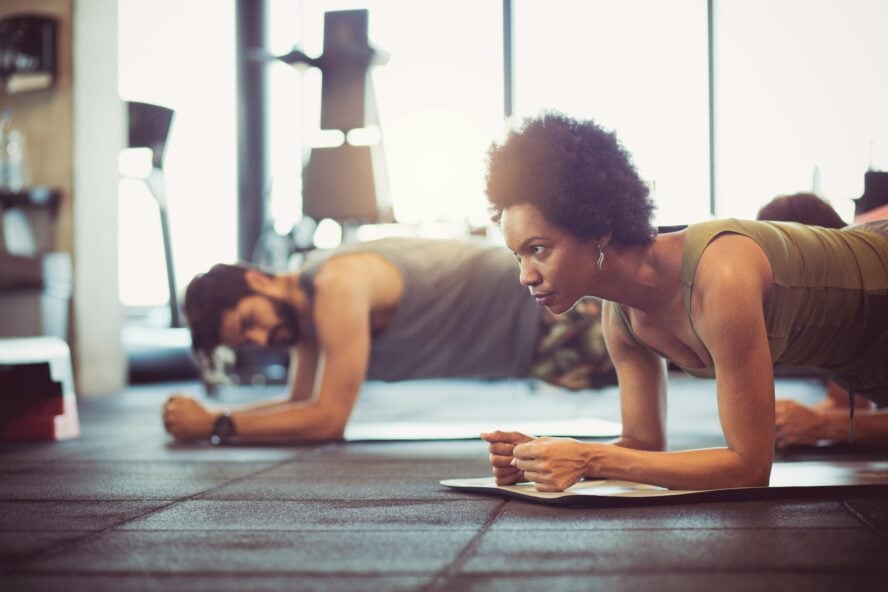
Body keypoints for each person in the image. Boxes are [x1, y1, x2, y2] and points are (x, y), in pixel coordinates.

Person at [480, 111, 888, 492]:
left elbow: (749, 468)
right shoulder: (620, 317)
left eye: (538, 249)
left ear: (598, 230)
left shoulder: (721, 274)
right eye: (518, 255)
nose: (525, 275)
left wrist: (589, 458)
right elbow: (643, 443)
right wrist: (542, 455)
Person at [162, 236, 614, 443]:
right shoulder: (304, 320)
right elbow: (297, 403)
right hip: (540, 353)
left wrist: (216, 425)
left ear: (258, 282)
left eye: (249, 323)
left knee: (679, 340)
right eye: (247, 341)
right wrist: (216, 416)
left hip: (556, 312)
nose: (261, 338)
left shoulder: (335, 284)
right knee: (678, 350)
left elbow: (325, 421)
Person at [756, 192, 887, 447]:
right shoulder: (818, 313)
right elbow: (846, 403)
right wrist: (793, 421)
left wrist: (824, 425)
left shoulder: (874, 285)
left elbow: (838, 418)